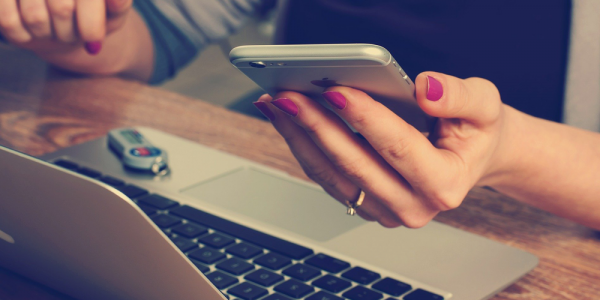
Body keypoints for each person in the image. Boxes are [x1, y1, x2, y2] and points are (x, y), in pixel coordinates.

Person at [0, 0, 599, 230]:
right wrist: (79, 25)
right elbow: (156, 32)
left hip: (536, 236)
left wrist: (510, 150)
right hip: (279, 195)